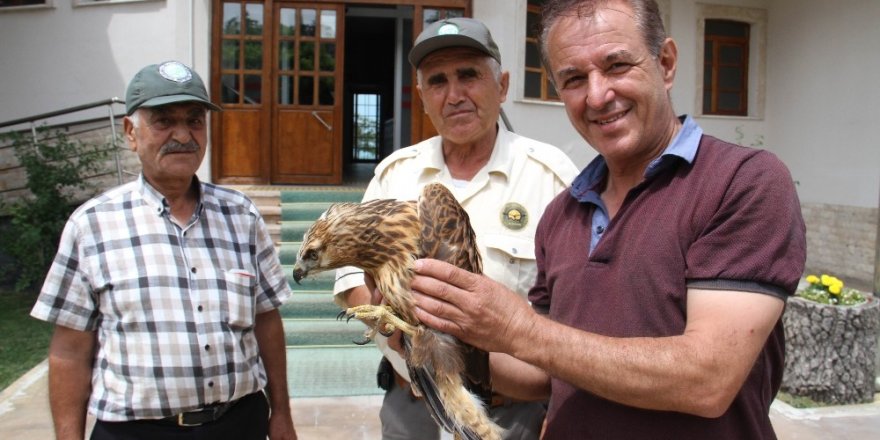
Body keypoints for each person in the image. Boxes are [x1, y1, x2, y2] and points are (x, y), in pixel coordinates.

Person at [409, 1, 807, 439]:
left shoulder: (741, 181)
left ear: (667, 63)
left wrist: (517, 328)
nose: (597, 95)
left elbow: (707, 379)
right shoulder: (562, 214)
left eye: (616, 65)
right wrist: (435, 334)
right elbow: (543, 374)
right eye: (574, 79)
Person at [332, 17, 578, 440]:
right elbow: (352, 280)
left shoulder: (551, 177)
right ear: (422, 97)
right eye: (438, 81)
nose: (455, 95)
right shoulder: (396, 174)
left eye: (469, 75)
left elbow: (579, 311)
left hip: (514, 415)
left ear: (501, 86)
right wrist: (396, 329)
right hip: (413, 406)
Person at [30, 61, 297, 440]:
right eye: (164, 121)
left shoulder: (241, 215)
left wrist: (282, 412)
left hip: (239, 423)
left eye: (194, 120)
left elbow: (266, 321)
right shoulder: (91, 225)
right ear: (130, 132)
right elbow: (70, 351)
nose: (183, 135)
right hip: (135, 432)